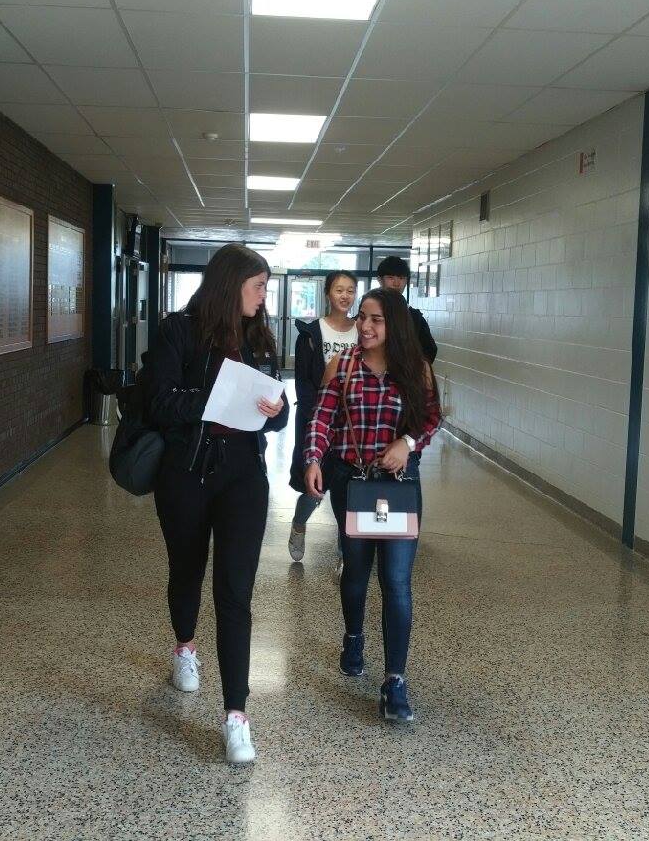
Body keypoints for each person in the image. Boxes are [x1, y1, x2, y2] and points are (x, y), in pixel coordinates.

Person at [147, 243, 289, 765]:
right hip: (185, 474)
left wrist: (277, 410)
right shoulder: (176, 332)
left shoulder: (261, 337)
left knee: (235, 594)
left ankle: (236, 716)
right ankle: (185, 646)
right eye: (258, 286)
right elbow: (158, 402)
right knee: (186, 572)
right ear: (232, 285)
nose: (263, 295)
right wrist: (212, 397)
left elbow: (278, 412)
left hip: (243, 479)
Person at [303, 288, 441, 723]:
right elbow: (322, 416)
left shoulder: (416, 369)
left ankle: (395, 680)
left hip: (399, 485)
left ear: (393, 325)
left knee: (397, 581)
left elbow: (432, 417)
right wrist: (312, 458)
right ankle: (354, 636)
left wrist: (408, 441)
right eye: (362, 317)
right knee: (357, 573)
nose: (364, 326)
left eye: (375, 320)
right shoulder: (342, 365)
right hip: (353, 483)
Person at [287, 270, 358, 565]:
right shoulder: (311, 334)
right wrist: (316, 418)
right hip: (319, 421)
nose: (345, 295)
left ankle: (346, 554)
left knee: (352, 492)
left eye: (350, 290)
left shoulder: (362, 330)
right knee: (314, 489)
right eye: (339, 289)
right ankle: (299, 523)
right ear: (328, 293)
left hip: (353, 426)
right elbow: (303, 383)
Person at [375, 255, 437, 364]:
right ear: (380, 280)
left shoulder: (414, 316)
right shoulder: (369, 311)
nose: (396, 283)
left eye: (401, 278)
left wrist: (411, 368)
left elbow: (430, 349)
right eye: (390, 277)